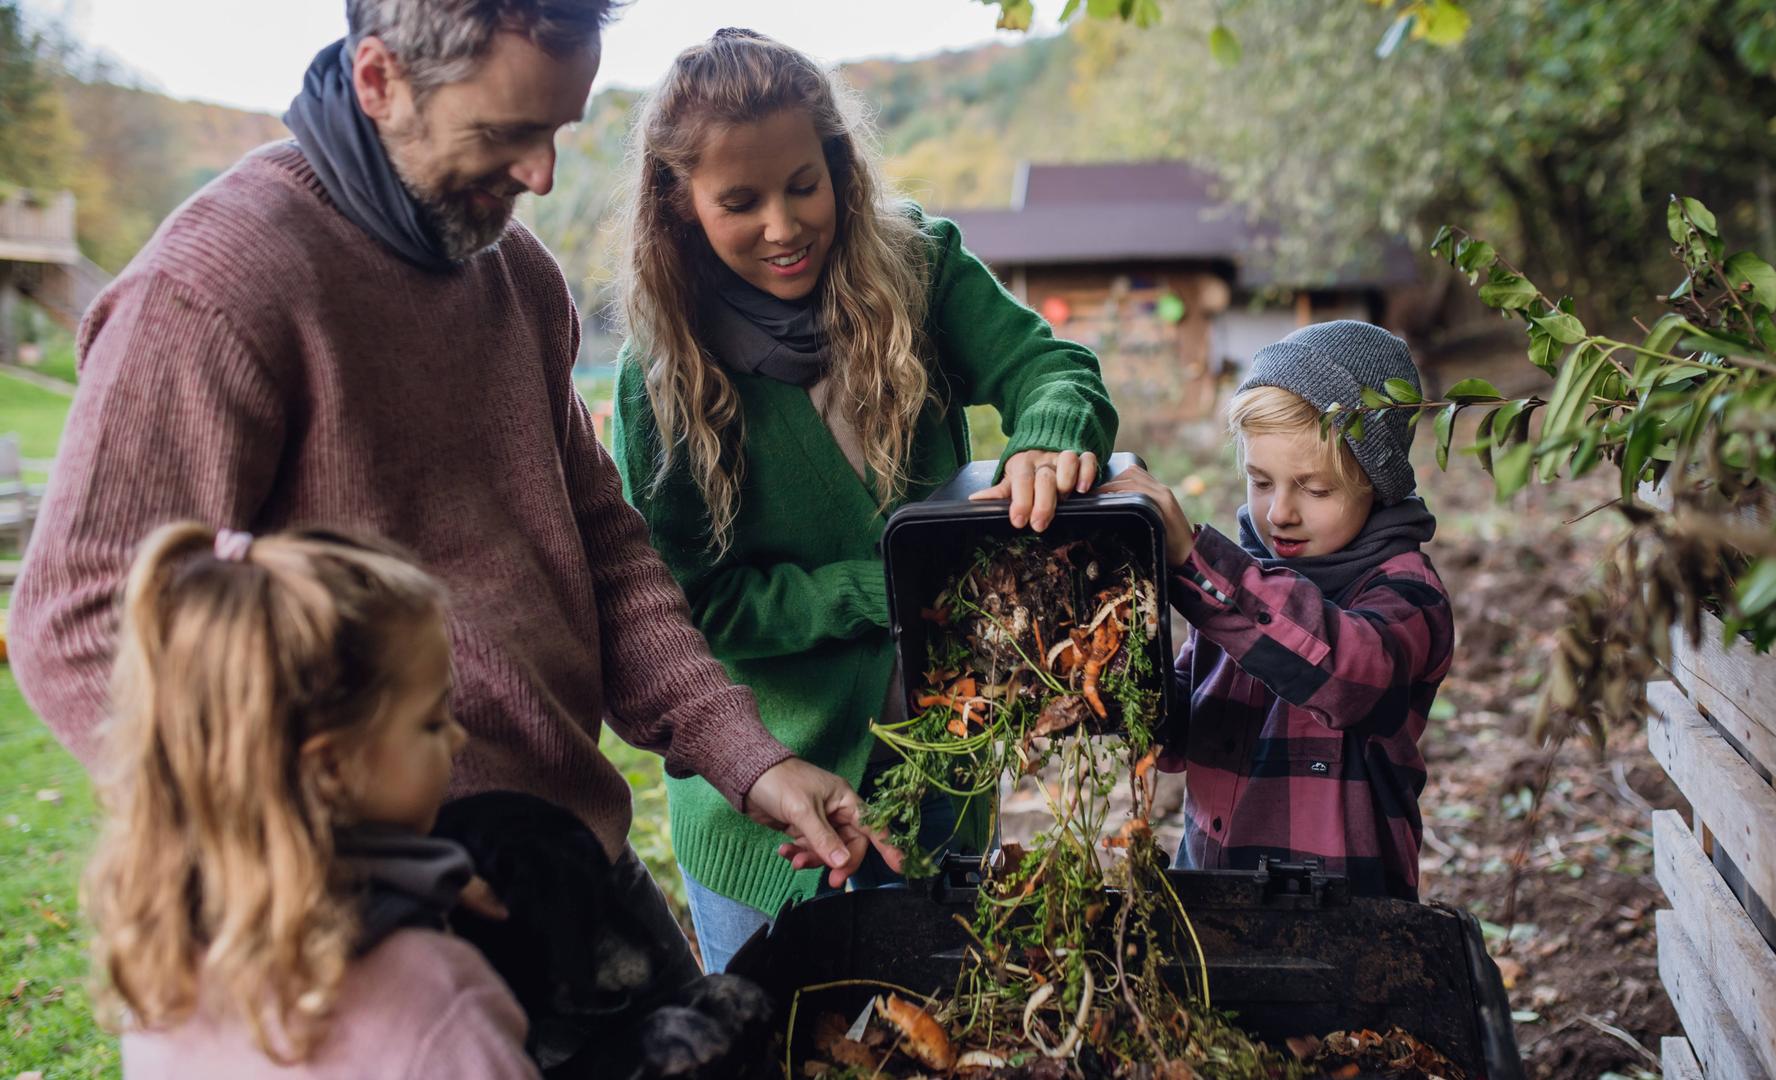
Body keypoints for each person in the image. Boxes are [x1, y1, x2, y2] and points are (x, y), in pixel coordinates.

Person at [10, 0, 888, 996]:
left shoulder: (515, 275)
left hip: (566, 855)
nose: (541, 175)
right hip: (372, 914)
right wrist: (317, 861)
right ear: (380, 80)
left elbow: (604, 552)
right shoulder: (219, 287)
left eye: (557, 130)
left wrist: (746, 755)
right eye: (507, 134)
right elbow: (78, 617)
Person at [609, 28, 1119, 971]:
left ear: (839, 164)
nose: (783, 225)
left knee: (945, 1013)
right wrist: (886, 584)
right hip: (767, 802)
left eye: (805, 183)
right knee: (788, 1032)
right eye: (740, 201)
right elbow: (693, 606)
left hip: (942, 758)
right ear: (679, 207)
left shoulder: (915, 267)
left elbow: (1048, 365)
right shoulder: (663, 379)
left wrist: (1050, 434)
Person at [93, 523, 537, 1077]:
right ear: (329, 768)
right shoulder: (435, 997)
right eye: (431, 721)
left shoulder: (162, 982)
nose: (457, 736)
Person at [1100, 320, 1453, 899]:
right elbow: (1178, 733)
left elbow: (1347, 674)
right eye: (1260, 481)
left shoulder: (1406, 594)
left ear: (1377, 484)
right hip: (1214, 893)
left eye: (1314, 490)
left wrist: (1195, 562)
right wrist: (1110, 662)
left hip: (1342, 918)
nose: (1280, 513)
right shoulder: (1237, 583)